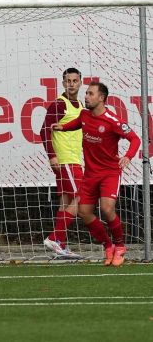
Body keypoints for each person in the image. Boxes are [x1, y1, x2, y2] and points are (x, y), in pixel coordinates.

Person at [52, 82, 140, 267]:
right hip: (91, 173)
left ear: (101, 98)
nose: (86, 97)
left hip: (109, 172)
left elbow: (135, 139)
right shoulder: (84, 114)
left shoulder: (112, 121)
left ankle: (120, 246)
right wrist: (63, 127)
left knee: (107, 209)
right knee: (84, 212)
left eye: (91, 94)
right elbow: (78, 123)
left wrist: (128, 156)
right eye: (86, 94)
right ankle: (107, 245)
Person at [39, 68, 84, 258]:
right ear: (63, 83)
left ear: (81, 82)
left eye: (75, 80)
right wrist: (52, 156)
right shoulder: (60, 104)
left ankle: (60, 245)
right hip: (65, 159)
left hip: (74, 159)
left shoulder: (80, 104)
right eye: (68, 81)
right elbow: (44, 131)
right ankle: (54, 237)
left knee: (65, 202)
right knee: (82, 198)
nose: (72, 84)